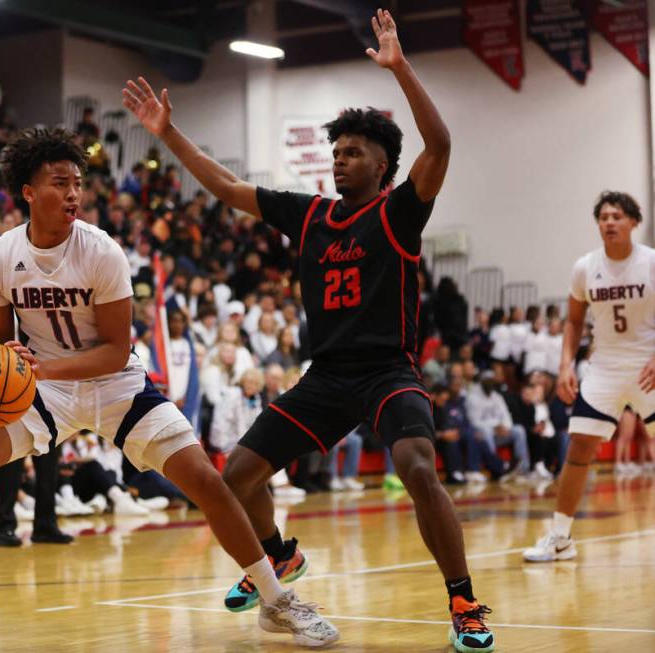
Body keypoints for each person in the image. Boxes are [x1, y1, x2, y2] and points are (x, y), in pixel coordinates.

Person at [0, 127, 335, 647]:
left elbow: (116, 350)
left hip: (116, 385)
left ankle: (276, 601)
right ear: (28, 191)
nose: (74, 193)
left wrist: (42, 371)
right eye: (59, 182)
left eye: (78, 183)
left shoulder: (101, 251)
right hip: (49, 390)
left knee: (207, 480)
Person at [122, 11, 493, 651]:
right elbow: (226, 185)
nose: (339, 160)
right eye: (336, 152)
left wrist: (400, 66)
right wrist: (169, 133)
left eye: (353, 153)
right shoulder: (311, 215)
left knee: (417, 467)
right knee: (234, 474)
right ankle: (279, 556)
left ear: (383, 166)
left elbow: (441, 145)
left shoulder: (399, 211)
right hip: (326, 375)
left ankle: (463, 599)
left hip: (387, 373)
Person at [524, 191, 655, 563]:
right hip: (605, 367)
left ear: (634, 222)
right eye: (603, 217)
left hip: (648, 366)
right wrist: (565, 365)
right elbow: (574, 322)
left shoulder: (650, 262)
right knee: (579, 446)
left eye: (617, 216)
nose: (609, 222)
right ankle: (561, 538)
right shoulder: (585, 267)